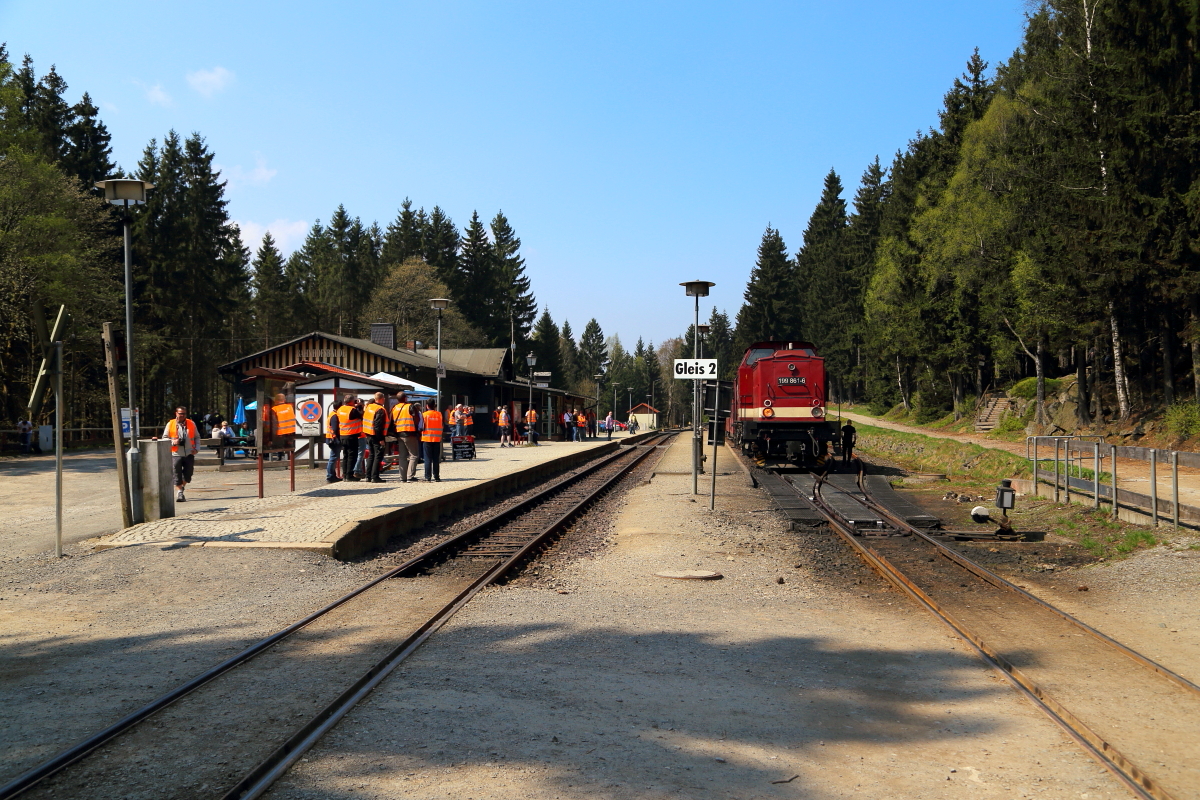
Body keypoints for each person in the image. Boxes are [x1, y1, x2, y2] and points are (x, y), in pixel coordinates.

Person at [163, 406, 199, 502]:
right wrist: (173, 442)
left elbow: (197, 437)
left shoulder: (191, 423)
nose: (182, 415)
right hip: (175, 453)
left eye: (184, 413)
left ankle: (181, 487)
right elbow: (164, 438)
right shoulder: (170, 424)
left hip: (189, 453)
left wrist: (197, 449)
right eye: (180, 413)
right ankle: (180, 493)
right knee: (176, 474)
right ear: (176, 413)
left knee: (188, 474)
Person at [391, 392, 423, 482]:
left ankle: (402, 477)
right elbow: (417, 419)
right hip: (409, 433)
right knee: (414, 455)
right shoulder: (410, 406)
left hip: (399, 434)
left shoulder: (394, 408)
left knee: (402, 456)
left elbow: (391, 420)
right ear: (405, 398)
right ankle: (410, 476)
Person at [363, 392, 390, 483]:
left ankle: (368, 476)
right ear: (382, 399)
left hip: (368, 434)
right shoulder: (380, 409)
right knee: (377, 456)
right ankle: (375, 477)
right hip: (376, 435)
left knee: (371, 455)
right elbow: (378, 426)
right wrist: (381, 439)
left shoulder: (369, 407)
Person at [336, 395, 363, 481]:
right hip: (351, 435)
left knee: (345, 456)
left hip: (342, 435)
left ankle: (345, 475)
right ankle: (349, 475)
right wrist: (359, 406)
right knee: (352, 456)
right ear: (351, 401)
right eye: (354, 401)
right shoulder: (353, 410)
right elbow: (361, 415)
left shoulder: (340, 409)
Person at [421, 399, 443, 481]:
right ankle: (436, 476)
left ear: (427, 406)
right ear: (434, 406)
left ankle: (428, 477)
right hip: (437, 438)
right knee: (436, 459)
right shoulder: (439, 414)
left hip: (427, 438)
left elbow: (421, 426)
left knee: (427, 459)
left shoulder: (424, 415)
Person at [325, 400, 342, 483]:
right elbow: (335, 429)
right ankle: (330, 476)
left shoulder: (331, 414)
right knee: (333, 458)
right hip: (334, 439)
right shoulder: (335, 416)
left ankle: (332, 475)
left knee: (333, 457)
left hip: (330, 438)